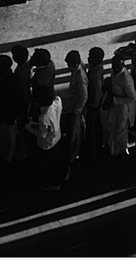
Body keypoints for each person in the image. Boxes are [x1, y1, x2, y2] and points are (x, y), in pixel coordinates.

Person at [60, 51, 88, 182]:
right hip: (74, 107)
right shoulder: (79, 69)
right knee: (79, 129)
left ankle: (73, 154)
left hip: (75, 109)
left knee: (74, 132)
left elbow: (83, 96)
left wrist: (76, 111)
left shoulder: (80, 76)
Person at [106, 51, 136, 159]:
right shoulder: (114, 72)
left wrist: (115, 100)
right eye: (114, 67)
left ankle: (122, 152)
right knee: (112, 127)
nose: (115, 69)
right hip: (116, 106)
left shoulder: (126, 79)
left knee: (121, 131)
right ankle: (113, 150)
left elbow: (133, 98)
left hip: (123, 108)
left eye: (118, 67)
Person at [81, 48, 104, 162]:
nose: (88, 57)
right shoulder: (96, 67)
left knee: (91, 129)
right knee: (96, 127)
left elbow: (97, 91)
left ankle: (93, 154)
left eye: (90, 56)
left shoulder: (95, 75)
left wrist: (93, 104)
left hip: (93, 105)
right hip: (95, 104)